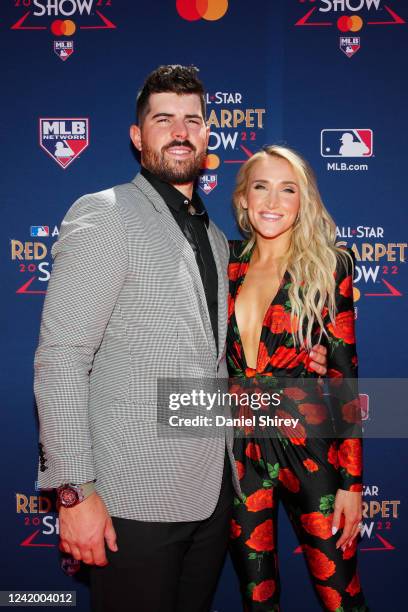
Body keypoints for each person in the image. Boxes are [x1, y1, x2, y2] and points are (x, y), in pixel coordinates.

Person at [34, 66, 328, 612]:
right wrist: (74, 494)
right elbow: (61, 359)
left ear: (208, 136)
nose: (179, 131)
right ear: (137, 135)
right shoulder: (105, 216)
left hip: (213, 494)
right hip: (130, 501)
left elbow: (223, 356)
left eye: (192, 120)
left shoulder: (217, 237)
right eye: (163, 119)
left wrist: (300, 360)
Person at [227, 145, 368, 611]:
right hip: (237, 450)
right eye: (260, 187)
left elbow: (346, 378)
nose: (272, 201)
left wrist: (352, 483)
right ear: (244, 199)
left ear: (302, 201)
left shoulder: (331, 266)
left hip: (309, 448)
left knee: (340, 597)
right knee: (257, 599)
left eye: (288, 190)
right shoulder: (225, 265)